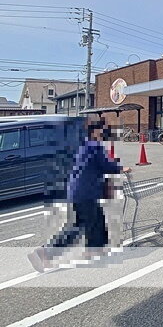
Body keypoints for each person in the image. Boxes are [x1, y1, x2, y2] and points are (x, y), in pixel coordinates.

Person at [28, 116, 122, 272]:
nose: (104, 133)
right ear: (95, 131)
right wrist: (120, 168)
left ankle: (95, 250)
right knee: (78, 226)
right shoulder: (95, 146)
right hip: (85, 192)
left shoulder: (85, 145)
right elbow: (106, 165)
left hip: (79, 191)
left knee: (97, 219)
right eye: (102, 130)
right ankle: (45, 252)